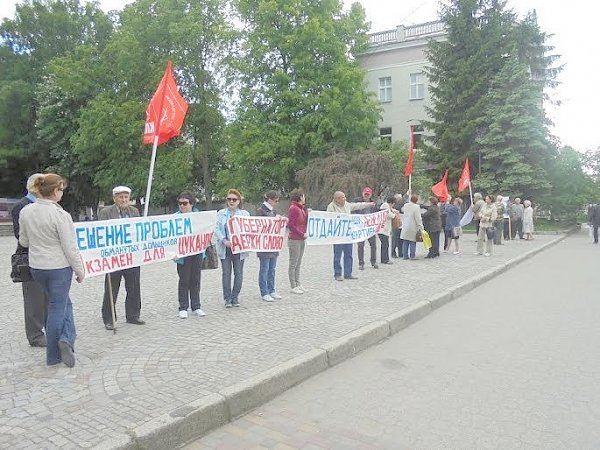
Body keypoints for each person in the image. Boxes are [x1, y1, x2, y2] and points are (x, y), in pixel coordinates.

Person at [18, 173, 85, 367]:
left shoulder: (26, 211)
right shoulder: (60, 215)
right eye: (61, 189)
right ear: (55, 191)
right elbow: (69, 247)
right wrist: (80, 270)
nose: (62, 193)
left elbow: (24, 241)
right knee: (57, 307)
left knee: (63, 303)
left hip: (37, 267)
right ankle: (55, 353)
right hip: (58, 268)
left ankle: (67, 338)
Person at [99, 186, 144, 329]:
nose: (124, 200)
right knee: (111, 288)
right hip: (114, 257)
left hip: (132, 256)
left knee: (134, 286)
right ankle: (109, 318)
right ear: (114, 199)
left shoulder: (134, 211)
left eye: (126, 197)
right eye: (120, 197)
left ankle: (133, 315)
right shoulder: (106, 212)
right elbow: (102, 231)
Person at [11, 173, 48, 347]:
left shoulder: (48, 205)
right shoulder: (21, 206)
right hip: (30, 258)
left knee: (48, 296)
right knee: (34, 298)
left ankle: (50, 329)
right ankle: (35, 335)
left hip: (48, 257)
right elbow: (20, 235)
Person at [327, 191, 374, 281]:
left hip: (348, 234)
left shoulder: (347, 205)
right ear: (337, 199)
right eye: (343, 197)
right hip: (338, 235)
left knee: (349, 254)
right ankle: (337, 274)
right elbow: (328, 219)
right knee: (337, 255)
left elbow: (357, 205)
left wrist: (368, 204)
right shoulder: (331, 207)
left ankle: (348, 273)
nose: (345, 199)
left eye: (345, 197)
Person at [214, 189, 249, 307]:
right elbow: (217, 229)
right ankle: (227, 298)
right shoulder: (221, 213)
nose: (231, 202)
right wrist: (224, 240)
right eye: (229, 199)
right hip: (226, 248)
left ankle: (235, 297)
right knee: (226, 273)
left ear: (239, 201)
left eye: (234, 199)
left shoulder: (244, 214)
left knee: (238, 273)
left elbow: (251, 229)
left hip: (239, 249)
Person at [174, 191, 205, 318]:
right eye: (180, 203)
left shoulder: (200, 216)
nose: (182, 206)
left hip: (197, 251)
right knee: (184, 280)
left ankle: (196, 306)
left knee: (195, 279)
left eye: (185, 203)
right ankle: (183, 307)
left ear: (191, 204)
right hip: (182, 254)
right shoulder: (175, 217)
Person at [255, 190, 282, 302]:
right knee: (264, 269)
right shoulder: (261, 211)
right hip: (264, 245)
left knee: (272, 269)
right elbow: (259, 226)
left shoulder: (273, 211)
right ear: (270, 199)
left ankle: (272, 289)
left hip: (273, 244)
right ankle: (264, 291)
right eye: (276, 200)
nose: (277, 202)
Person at [353, 187, 380, 270]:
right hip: (360, 228)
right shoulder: (357, 202)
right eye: (365, 194)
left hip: (370, 228)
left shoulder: (374, 204)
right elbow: (352, 210)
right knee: (360, 246)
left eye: (368, 194)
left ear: (370, 195)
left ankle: (373, 261)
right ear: (362, 193)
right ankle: (361, 263)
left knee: (373, 245)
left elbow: (378, 213)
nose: (366, 196)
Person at [287, 188, 308, 294]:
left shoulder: (301, 208)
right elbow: (291, 225)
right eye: (303, 196)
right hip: (294, 239)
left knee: (298, 263)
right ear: (300, 197)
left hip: (301, 239)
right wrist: (300, 233)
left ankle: (298, 283)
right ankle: (293, 285)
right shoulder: (294, 208)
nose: (305, 198)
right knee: (293, 263)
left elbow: (304, 222)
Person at [400, 195, 424, 260]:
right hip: (413, 226)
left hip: (405, 225)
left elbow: (402, 210)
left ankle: (405, 256)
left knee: (405, 241)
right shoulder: (416, 207)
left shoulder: (405, 205)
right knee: (412, 241)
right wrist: (421, 226)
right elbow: (418, 218)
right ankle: (412, 256)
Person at [378, 196, 399, 264]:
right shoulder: (385, 206)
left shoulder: (386, 206)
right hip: (383, 229)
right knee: (385, 245)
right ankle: (385, 260)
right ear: (392, 203)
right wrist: (394, 215)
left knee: (384, 245)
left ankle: (384, 259)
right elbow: (388, 214)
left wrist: (394, 211)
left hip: (384, 229)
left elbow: (390, 210)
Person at [391, 193, 404, 258]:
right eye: (399, 198)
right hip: (395, 224)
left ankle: (400, 253)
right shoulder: (395, 205)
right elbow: (399, 207)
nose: (400, 200)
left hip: (401, 224)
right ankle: (393, 253)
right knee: (395, 240)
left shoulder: (401, 204)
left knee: (400, 239)